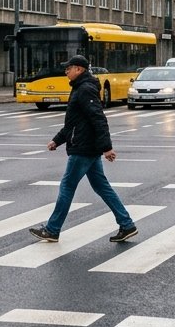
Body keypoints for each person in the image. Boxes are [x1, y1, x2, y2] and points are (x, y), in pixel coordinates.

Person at [30, 55, 138, 243]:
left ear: (79, 69)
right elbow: (74, 123)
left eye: (69, 68)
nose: (66, 71)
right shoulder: (80, 88)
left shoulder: (85, 89)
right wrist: (57, 140)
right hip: (87, 146)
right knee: (101, 187)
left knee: (67, 186)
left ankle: (52, 229)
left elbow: (98, 118)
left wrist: (107, 147)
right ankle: (127, 224)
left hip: (83, 147)